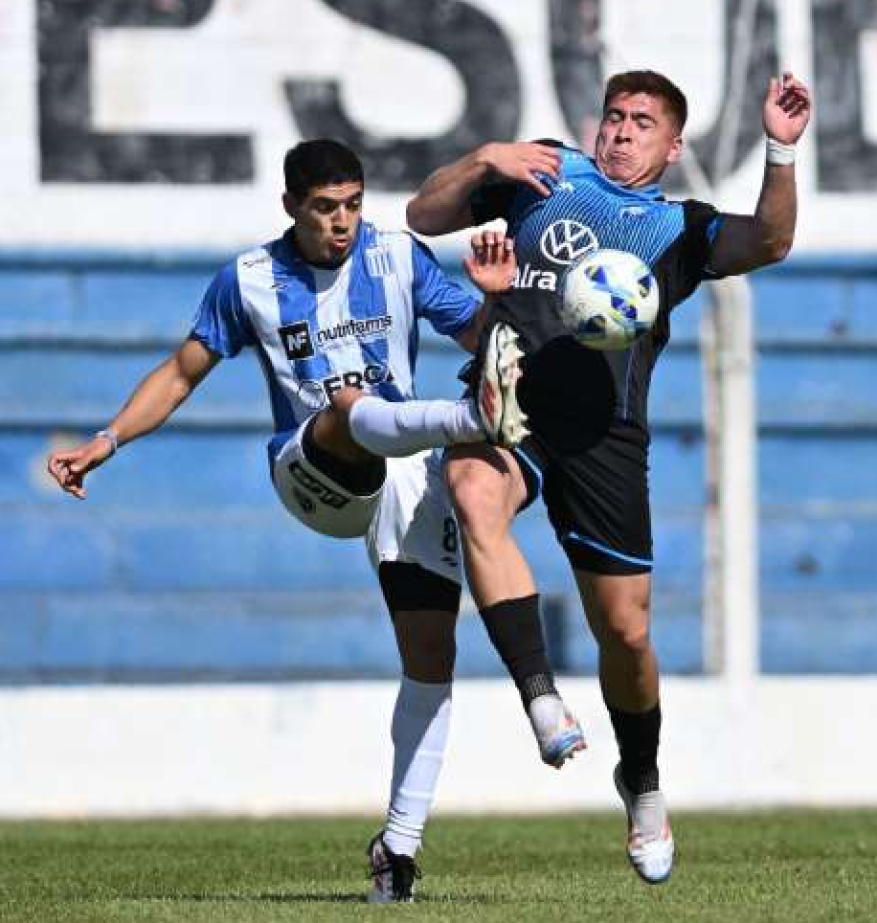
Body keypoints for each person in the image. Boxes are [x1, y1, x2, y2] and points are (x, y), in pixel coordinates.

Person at [45, 139, 583, 903]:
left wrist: (496, 301)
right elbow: (181, 372)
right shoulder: (249, 280)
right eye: (326, 208)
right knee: (345, 403)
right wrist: (106, 440)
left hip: (402, 468)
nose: (343, 222)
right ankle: (466, 420)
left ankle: (397, 846)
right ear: (291, 205)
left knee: (431, 655)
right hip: (311, 469)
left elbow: (484, 343)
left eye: (353, 204)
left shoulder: (397, 257)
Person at [400, 71, 812, 884]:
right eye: (615, 116)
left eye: (642, 122)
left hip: (605, 436)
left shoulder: (678, 228)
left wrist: (780, 149)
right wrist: (485, 159)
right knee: (473, 491)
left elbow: (768, 241)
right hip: (511, 396)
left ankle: (642, 781)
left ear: (673, 145)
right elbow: (423, 214)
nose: (622, 130)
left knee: (624, 634)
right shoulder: (545, 172)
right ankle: (540, 695)